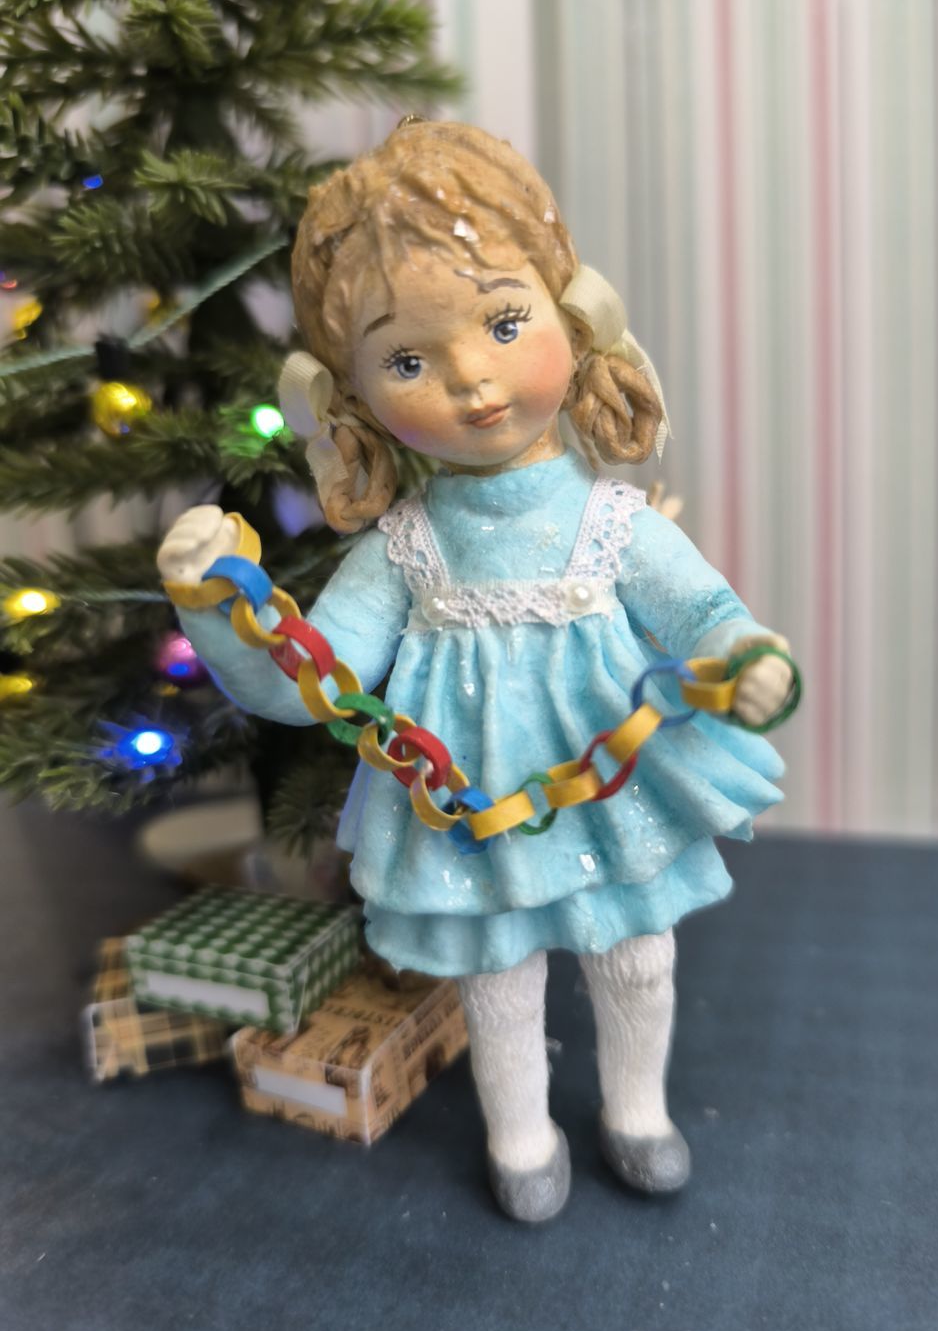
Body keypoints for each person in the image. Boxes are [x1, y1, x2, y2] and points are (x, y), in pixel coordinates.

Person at [157, 119, 796, 1224]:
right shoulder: (401, 550)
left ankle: (637, 1110)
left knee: (637, 956)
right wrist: (214, 608)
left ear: (574, 315)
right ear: (351, 395)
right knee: (497, 977)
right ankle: (520, 1135)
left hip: (609, 791)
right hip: (468, 810)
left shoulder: (613, 522)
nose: (472, 379)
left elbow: (706, 615)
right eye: (407, 360)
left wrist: (747, 662)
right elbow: (308, 685)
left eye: (504, 323)